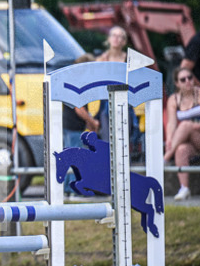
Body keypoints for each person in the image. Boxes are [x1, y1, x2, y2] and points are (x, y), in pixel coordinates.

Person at [164, 67, 200, 200]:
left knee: (185, 125)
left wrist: (198, 126)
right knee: (181, 149)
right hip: (187, 139)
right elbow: (171, 124)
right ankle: (184, 188)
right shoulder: (173, 99)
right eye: (183, 79)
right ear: (177, 83)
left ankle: (165, 159)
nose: (188, 81)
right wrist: (170, 140)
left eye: (190, 77)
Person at [94, 26, 143, 157]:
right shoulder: (101, 60)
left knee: (124, 143)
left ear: (124, 41)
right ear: (109, 39)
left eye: (120, 36)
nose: (116, 38)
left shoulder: (131, 60)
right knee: (106, 143)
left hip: (126, 104)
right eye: (113, 35)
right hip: (106, 105)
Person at [61, 53, 99, 195]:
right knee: (75, 157)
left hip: (67, 125)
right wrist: (92, 121)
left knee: (68, 157)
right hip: (73, 126)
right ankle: (73, 189)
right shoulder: (79, 85)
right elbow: (79, 109)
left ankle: (65, 189)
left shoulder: (72, 82)